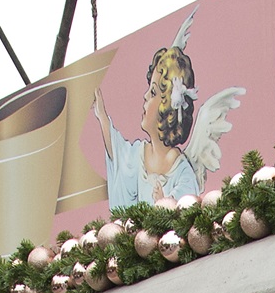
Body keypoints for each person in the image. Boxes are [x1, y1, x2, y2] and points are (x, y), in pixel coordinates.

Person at [94, 15, 249, 209]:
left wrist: (163, 202)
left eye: (153, 92)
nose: (145, 97)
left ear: (167, 108)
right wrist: (101, 115)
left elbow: (185, 210)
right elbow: (118, 153)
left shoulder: (181, 170)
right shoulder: (139, 154)